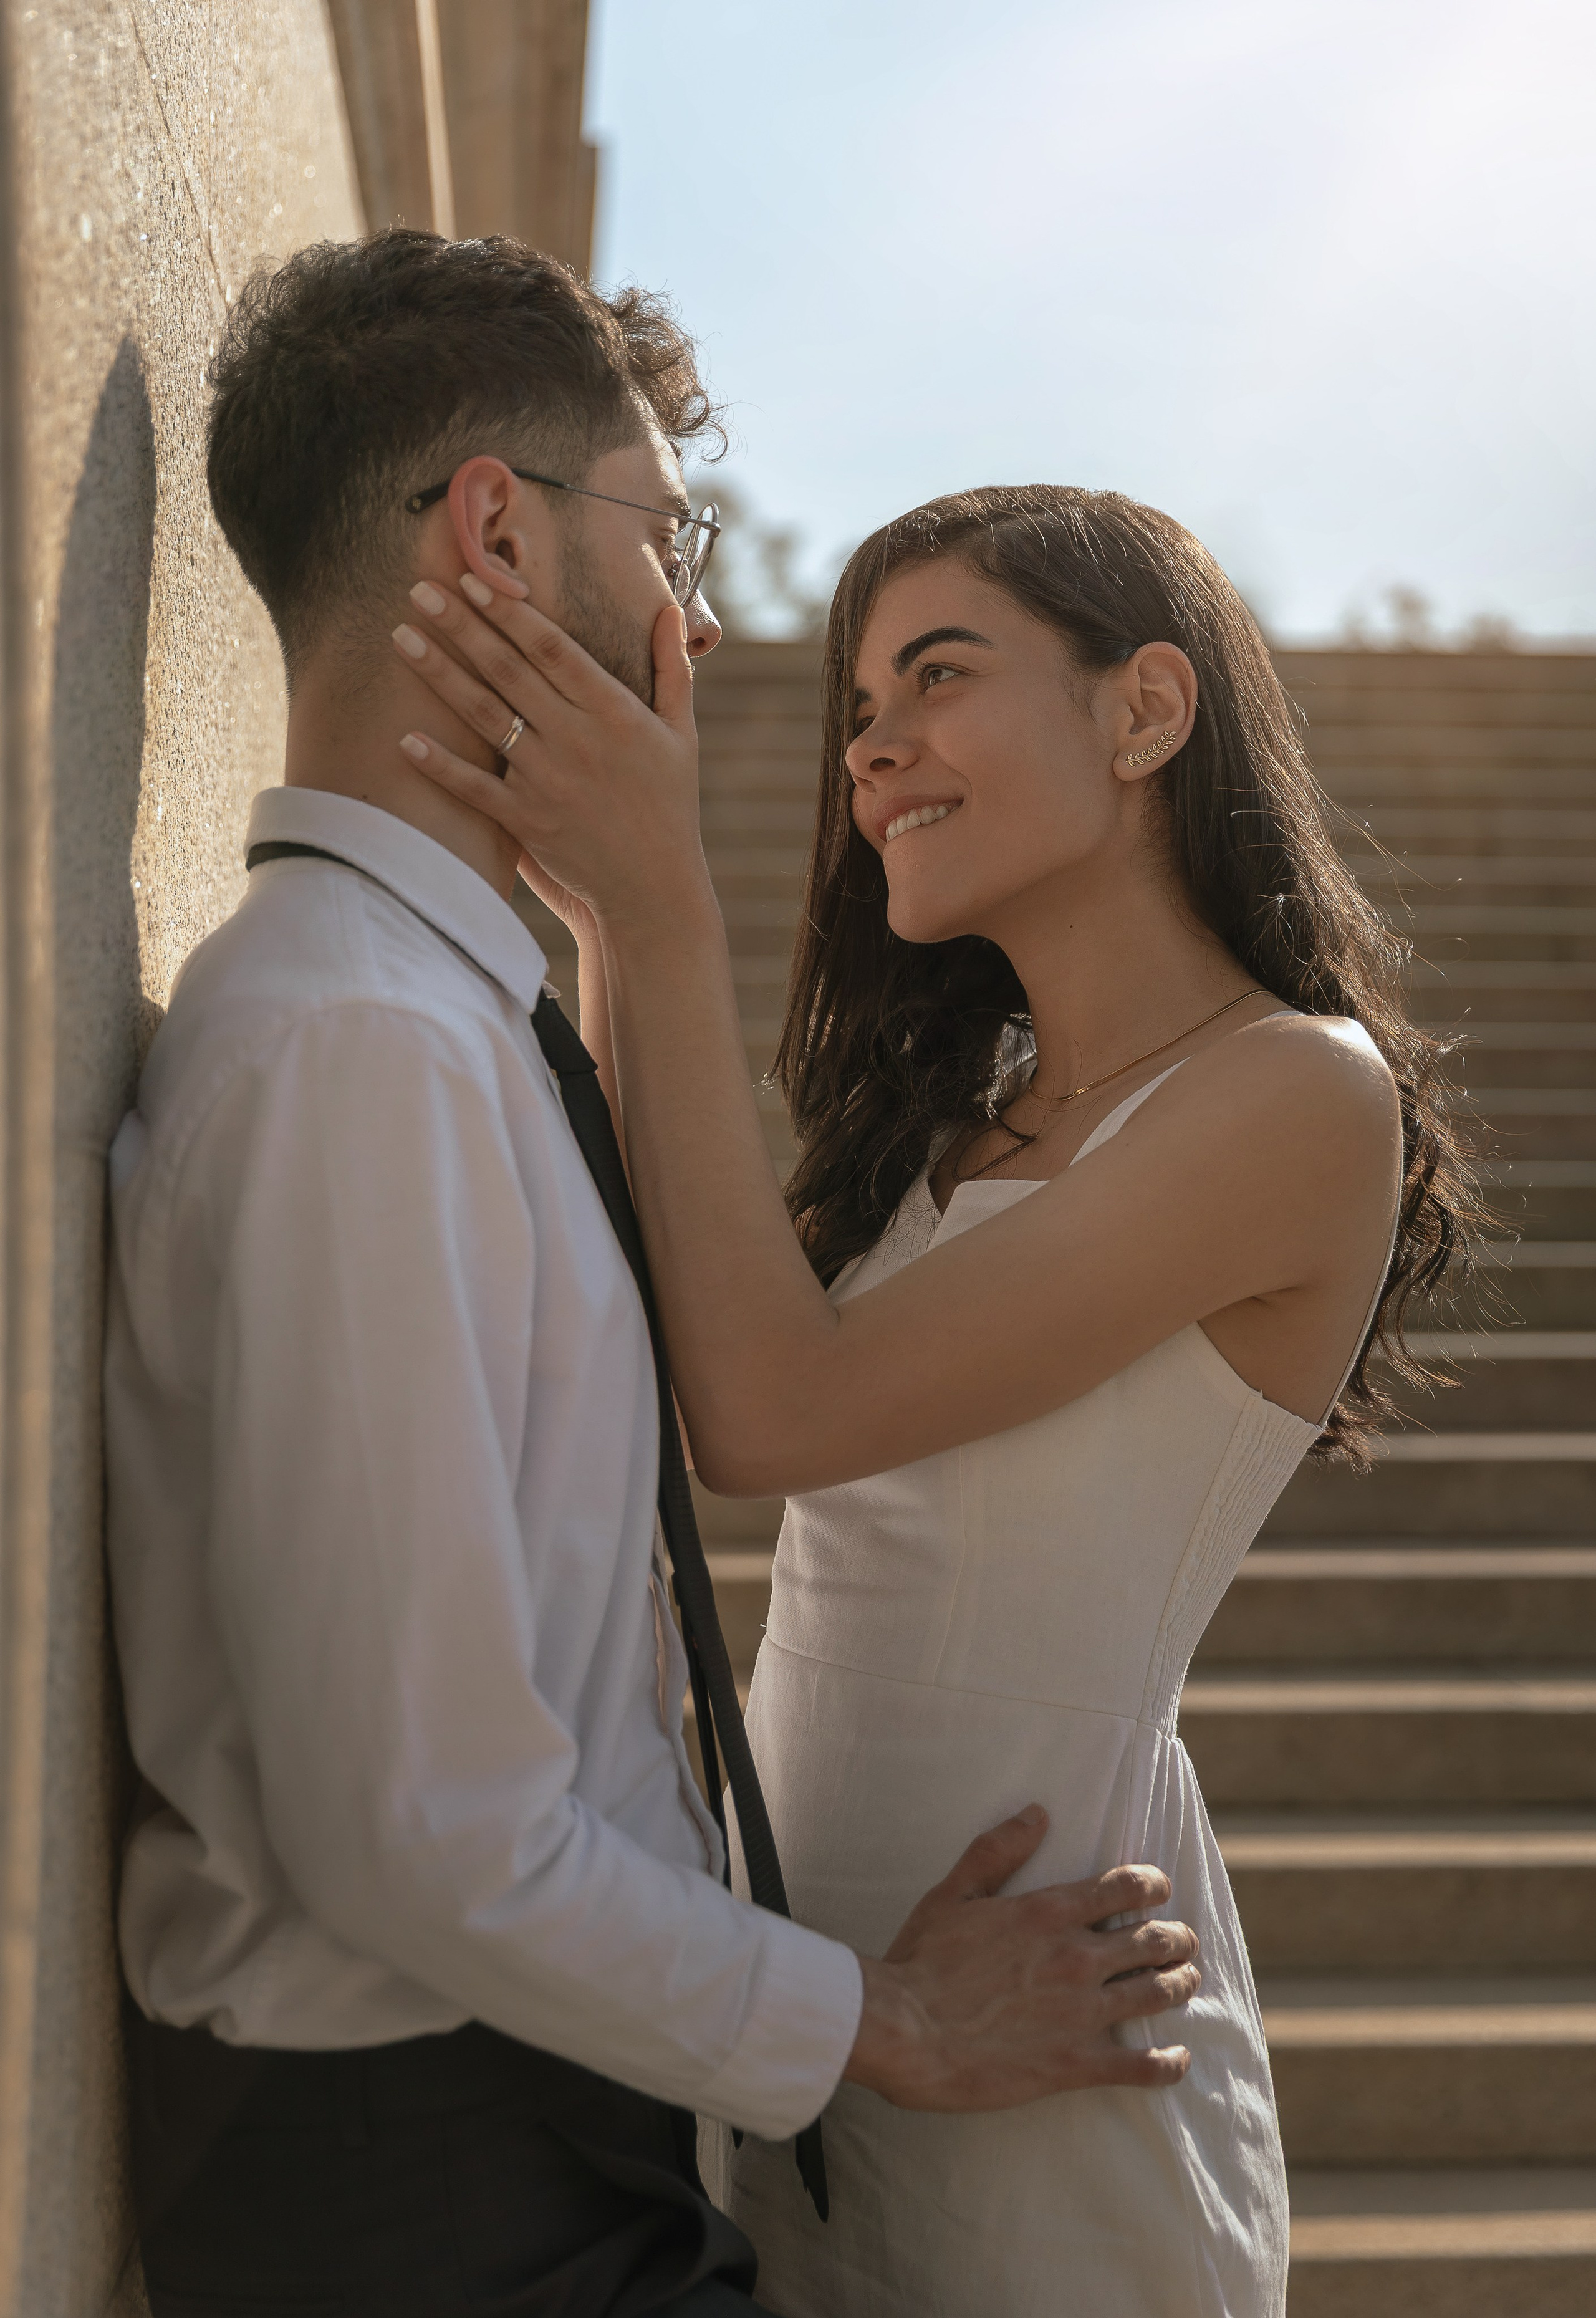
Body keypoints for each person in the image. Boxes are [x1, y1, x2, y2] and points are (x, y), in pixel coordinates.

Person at [103, 239, 1203, 2318]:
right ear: (495, 533)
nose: (690, 617)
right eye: (664, 532)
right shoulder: (362, 1045)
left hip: (523, 2132)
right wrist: (881, 2025)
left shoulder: (441, 1017)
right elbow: (418, 1824)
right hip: (425, 2188)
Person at [392, 481, 1479, 2317]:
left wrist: (666, 911)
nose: (874, 747)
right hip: (837, 2021)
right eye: (859, 706)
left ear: (1144, 712)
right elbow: (657, 1364)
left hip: (1055, 2054)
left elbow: (769, 1419)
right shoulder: (961, 1109)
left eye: (939, 676)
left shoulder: (1302, 1096)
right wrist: (601, 923)